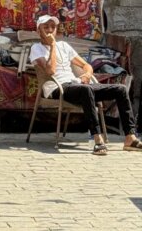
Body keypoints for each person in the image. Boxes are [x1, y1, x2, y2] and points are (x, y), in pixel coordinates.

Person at [29, 14, 142, 156]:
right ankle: (97, 138)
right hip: (56, 87)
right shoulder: (36, 48)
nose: (50, 30)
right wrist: (52, 45)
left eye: (53, 27)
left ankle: (130, 138)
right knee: (85, 90)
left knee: (120, 89)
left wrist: (87, 75)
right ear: (38, 31)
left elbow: (86, 65)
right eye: (46, 27)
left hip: (75, 84)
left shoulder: (64, 45)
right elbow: (50, 71)